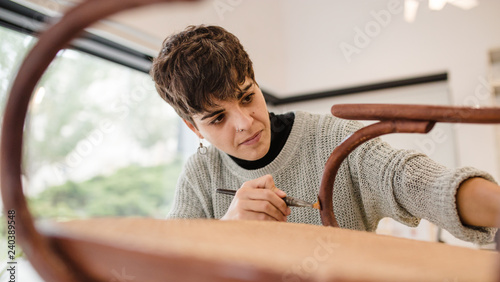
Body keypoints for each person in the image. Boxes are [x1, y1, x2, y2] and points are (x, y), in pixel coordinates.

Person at [150, 24, 500, 245]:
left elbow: (415, 181)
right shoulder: (200, 175)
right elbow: (166, 271)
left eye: (247, 96)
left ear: (257, 83)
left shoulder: (336, 140)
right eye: (217, 118)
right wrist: (225, 231)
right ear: (193, 128)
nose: (244, 123)